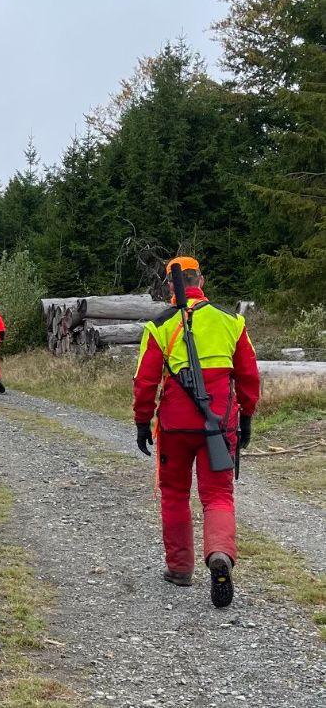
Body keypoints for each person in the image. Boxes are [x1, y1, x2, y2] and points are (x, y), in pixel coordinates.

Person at [133, 256, 259, 608]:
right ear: (200, 279)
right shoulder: (231, 321)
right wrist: (245, 417)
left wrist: (143, 421)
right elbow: (249, 377)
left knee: (174, 494)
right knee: (218, 496)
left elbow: (145, 381)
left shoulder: (159, 325)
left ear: (169, 284)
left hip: (175, 427)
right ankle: (219, 554)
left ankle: (179, 569)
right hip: (220, 425)